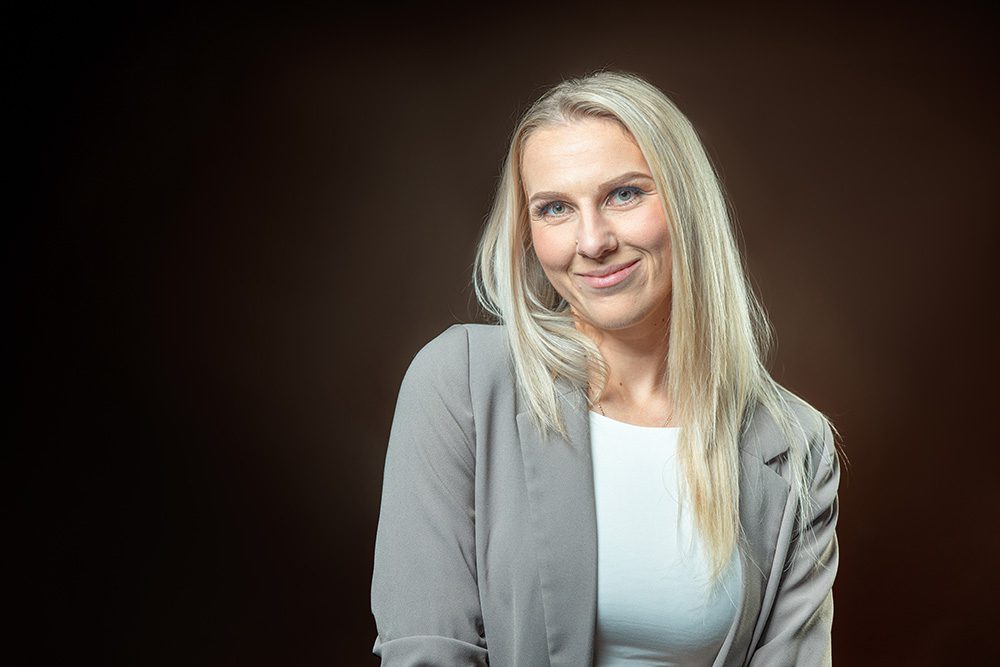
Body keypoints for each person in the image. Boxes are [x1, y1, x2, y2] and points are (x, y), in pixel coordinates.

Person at [370, 70, 841, 666]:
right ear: (527, 231)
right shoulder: (460, 382)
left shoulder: (796, 443)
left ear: (686, 204)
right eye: (555, 208)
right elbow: (427, 652)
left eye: (624, 193)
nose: (591, 241)